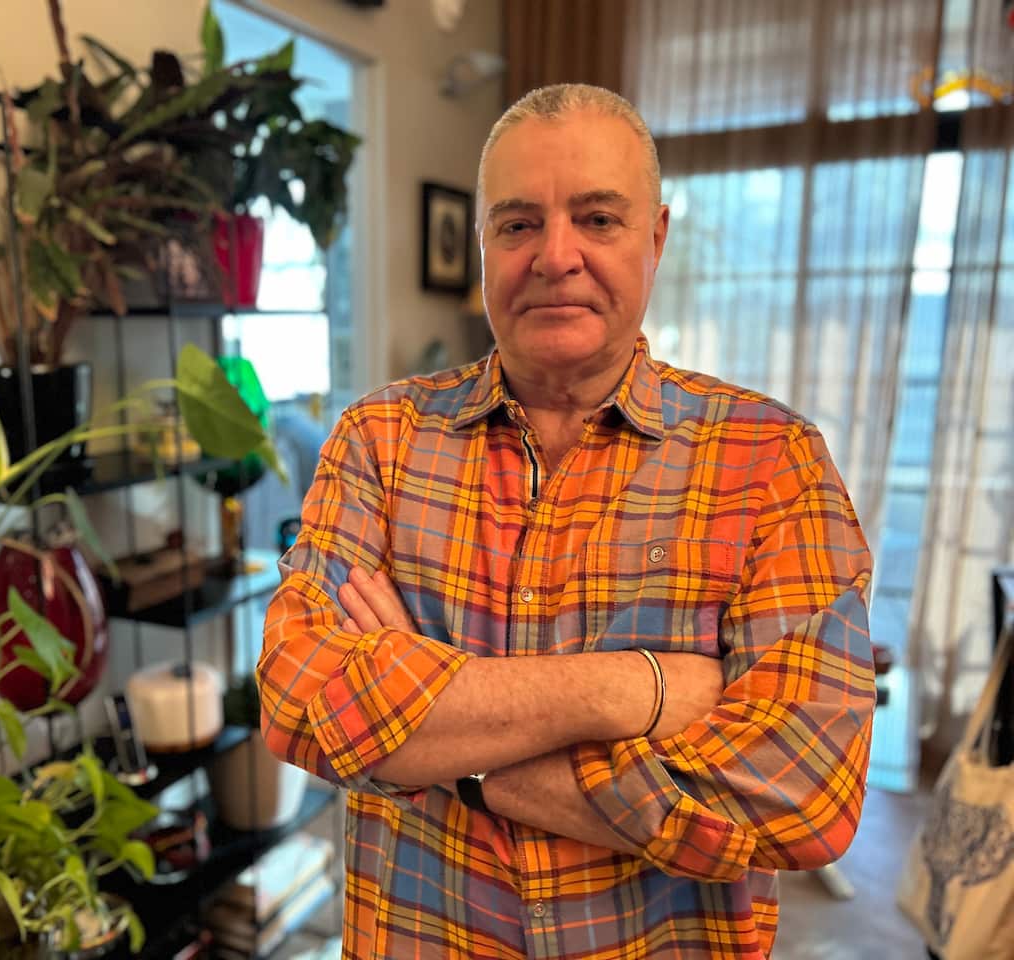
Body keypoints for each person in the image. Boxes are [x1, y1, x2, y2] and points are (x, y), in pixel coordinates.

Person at [257, 83, 876, 960]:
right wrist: (633, 690)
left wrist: (452, 754)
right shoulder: (379, 439)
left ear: (655, 238)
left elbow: (803, 795)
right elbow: (297, 700)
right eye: (517, 224)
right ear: (484, 245)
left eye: (597, 219)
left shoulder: (771, 459)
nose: (555, 256)